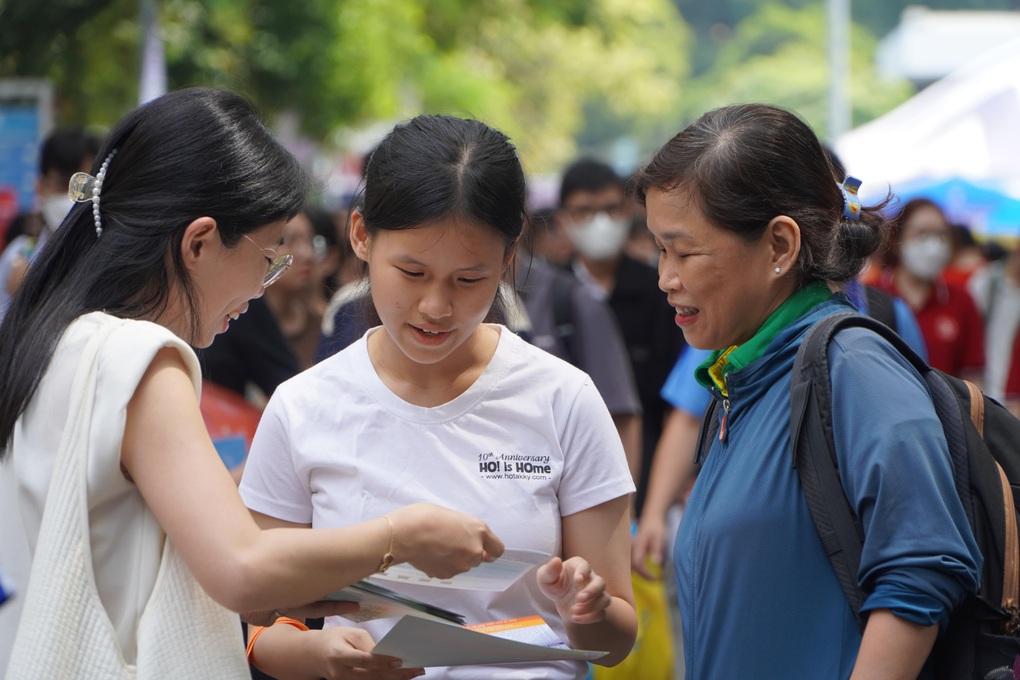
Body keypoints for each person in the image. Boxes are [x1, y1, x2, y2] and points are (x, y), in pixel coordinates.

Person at [0, 88, 504, 678]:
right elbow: (242, 564)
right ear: (199, 242)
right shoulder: (139, 358)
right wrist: (403, 534)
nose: (264, 287)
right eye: (268, 258)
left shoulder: (52, 340)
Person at [239, 114, 638, 680]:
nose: (436, 307)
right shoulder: (302, 405)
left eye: (469, 279)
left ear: (507, 258)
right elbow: (258, 618)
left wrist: (588, 611)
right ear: (361, 236)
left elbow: (616, 636)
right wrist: (313, 654)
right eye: (412, 271)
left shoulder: (563, 398)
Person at [633, 102, 981, 678]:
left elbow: (924, 567)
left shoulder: (853, 367)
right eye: (659, 250)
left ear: (779, 247)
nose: (666, 278)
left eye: (685, 251)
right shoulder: (740, 376)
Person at [555, 158, 684, 517]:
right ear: (564, 218)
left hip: (650, 477)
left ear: (628, 213)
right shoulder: (548, 294)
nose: (599, 222)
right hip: (562, 474)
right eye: (585, 211)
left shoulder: (661, 290)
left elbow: (679, 400)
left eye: (610, 209)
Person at [876, 197, 984, 379]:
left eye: (941, 235)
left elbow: (973, 377)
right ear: (896, 239)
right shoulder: (871, 295)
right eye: (921, 233)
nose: (932, 245)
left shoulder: (961, 299)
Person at [0, 127, 100, 322]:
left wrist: (34, 288)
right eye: (64, 185)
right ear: (40, 187)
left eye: (85, 188)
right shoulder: (18, 255)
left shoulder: (109, 257)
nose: (74, 198)